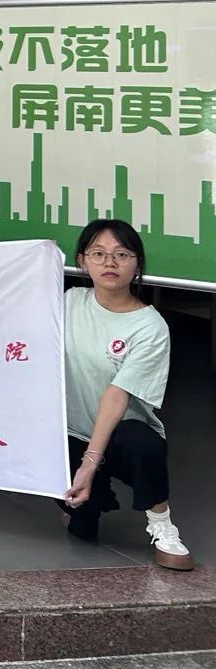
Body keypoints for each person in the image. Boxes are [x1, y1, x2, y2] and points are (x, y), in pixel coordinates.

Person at [62, 219, 192, 569]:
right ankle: (91, 500)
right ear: (82, 261)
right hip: (70, 433)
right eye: (98, 254)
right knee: (82, 527)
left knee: (142, 443)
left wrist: (90, 463)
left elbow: (116, 395)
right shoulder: (69, 303)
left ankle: (162, 525)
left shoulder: (149, 326)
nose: (110, 262)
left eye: (121, 254)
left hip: (120, 437)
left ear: (137, 264)